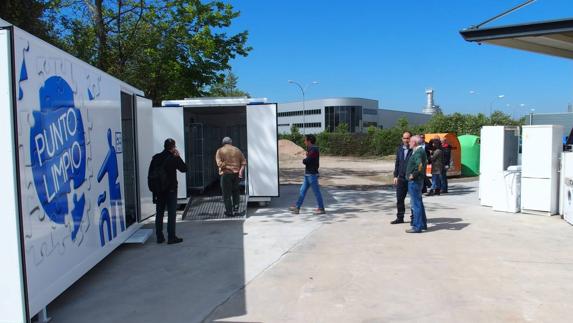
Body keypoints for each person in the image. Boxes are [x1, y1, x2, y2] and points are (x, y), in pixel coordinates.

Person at [150, 138, 187, 244]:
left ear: (164, 146)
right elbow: (184, 169)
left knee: (159, 213)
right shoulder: (173, 158)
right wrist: (178, 156)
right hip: (171, 190)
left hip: (159, 190)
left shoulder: (156, 158)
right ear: (173, 147)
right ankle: (171, 237)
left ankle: (159, 237)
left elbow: (151, 174)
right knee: (171, 214)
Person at [289, 134, 326, 215]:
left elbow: (307, 161)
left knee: (316, 192)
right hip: (308, 175)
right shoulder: (311, 150)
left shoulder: (314, 150)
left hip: (312, 175)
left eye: (305, 140)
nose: (304, 141)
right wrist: (307, 155)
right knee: (302, 191)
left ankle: (321, 208)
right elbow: (309, 159)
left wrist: (304, 159)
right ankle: (297, 207)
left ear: (309, 141)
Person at [216, 137, 247, 217]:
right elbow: (244, 162)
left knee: (226, 194)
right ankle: (236, 210)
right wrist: (240, 171)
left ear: (223, 143)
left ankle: (229, 211)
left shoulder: (220, 151)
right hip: (236, 175)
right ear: (231, 142)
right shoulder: (237, 150)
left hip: (226, 174)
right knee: (236, 192)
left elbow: (219, 164)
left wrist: (225, 164)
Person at [405, 135, 428, 233]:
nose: (408, 143)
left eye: (410, 141)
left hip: (415, 181)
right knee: (419, 203)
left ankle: (417, 226)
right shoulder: (420, 151)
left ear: (414, 142)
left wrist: (413, 175)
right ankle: (422, 224)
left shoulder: (418, 152)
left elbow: (419, 165)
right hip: (418, 181)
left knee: (415, 204)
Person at [391, 131, 413, 224]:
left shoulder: (414, 149)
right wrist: (395, 175)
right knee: (399, 199)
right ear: (402, 139)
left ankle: (414, 218)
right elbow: (397, 163)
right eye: (404, 138)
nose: (406, 140)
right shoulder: (399, 149)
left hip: (411, 179)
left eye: (408, 138)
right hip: (401, 178)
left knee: (413, 199)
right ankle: (400, 217)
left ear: (411, 139)